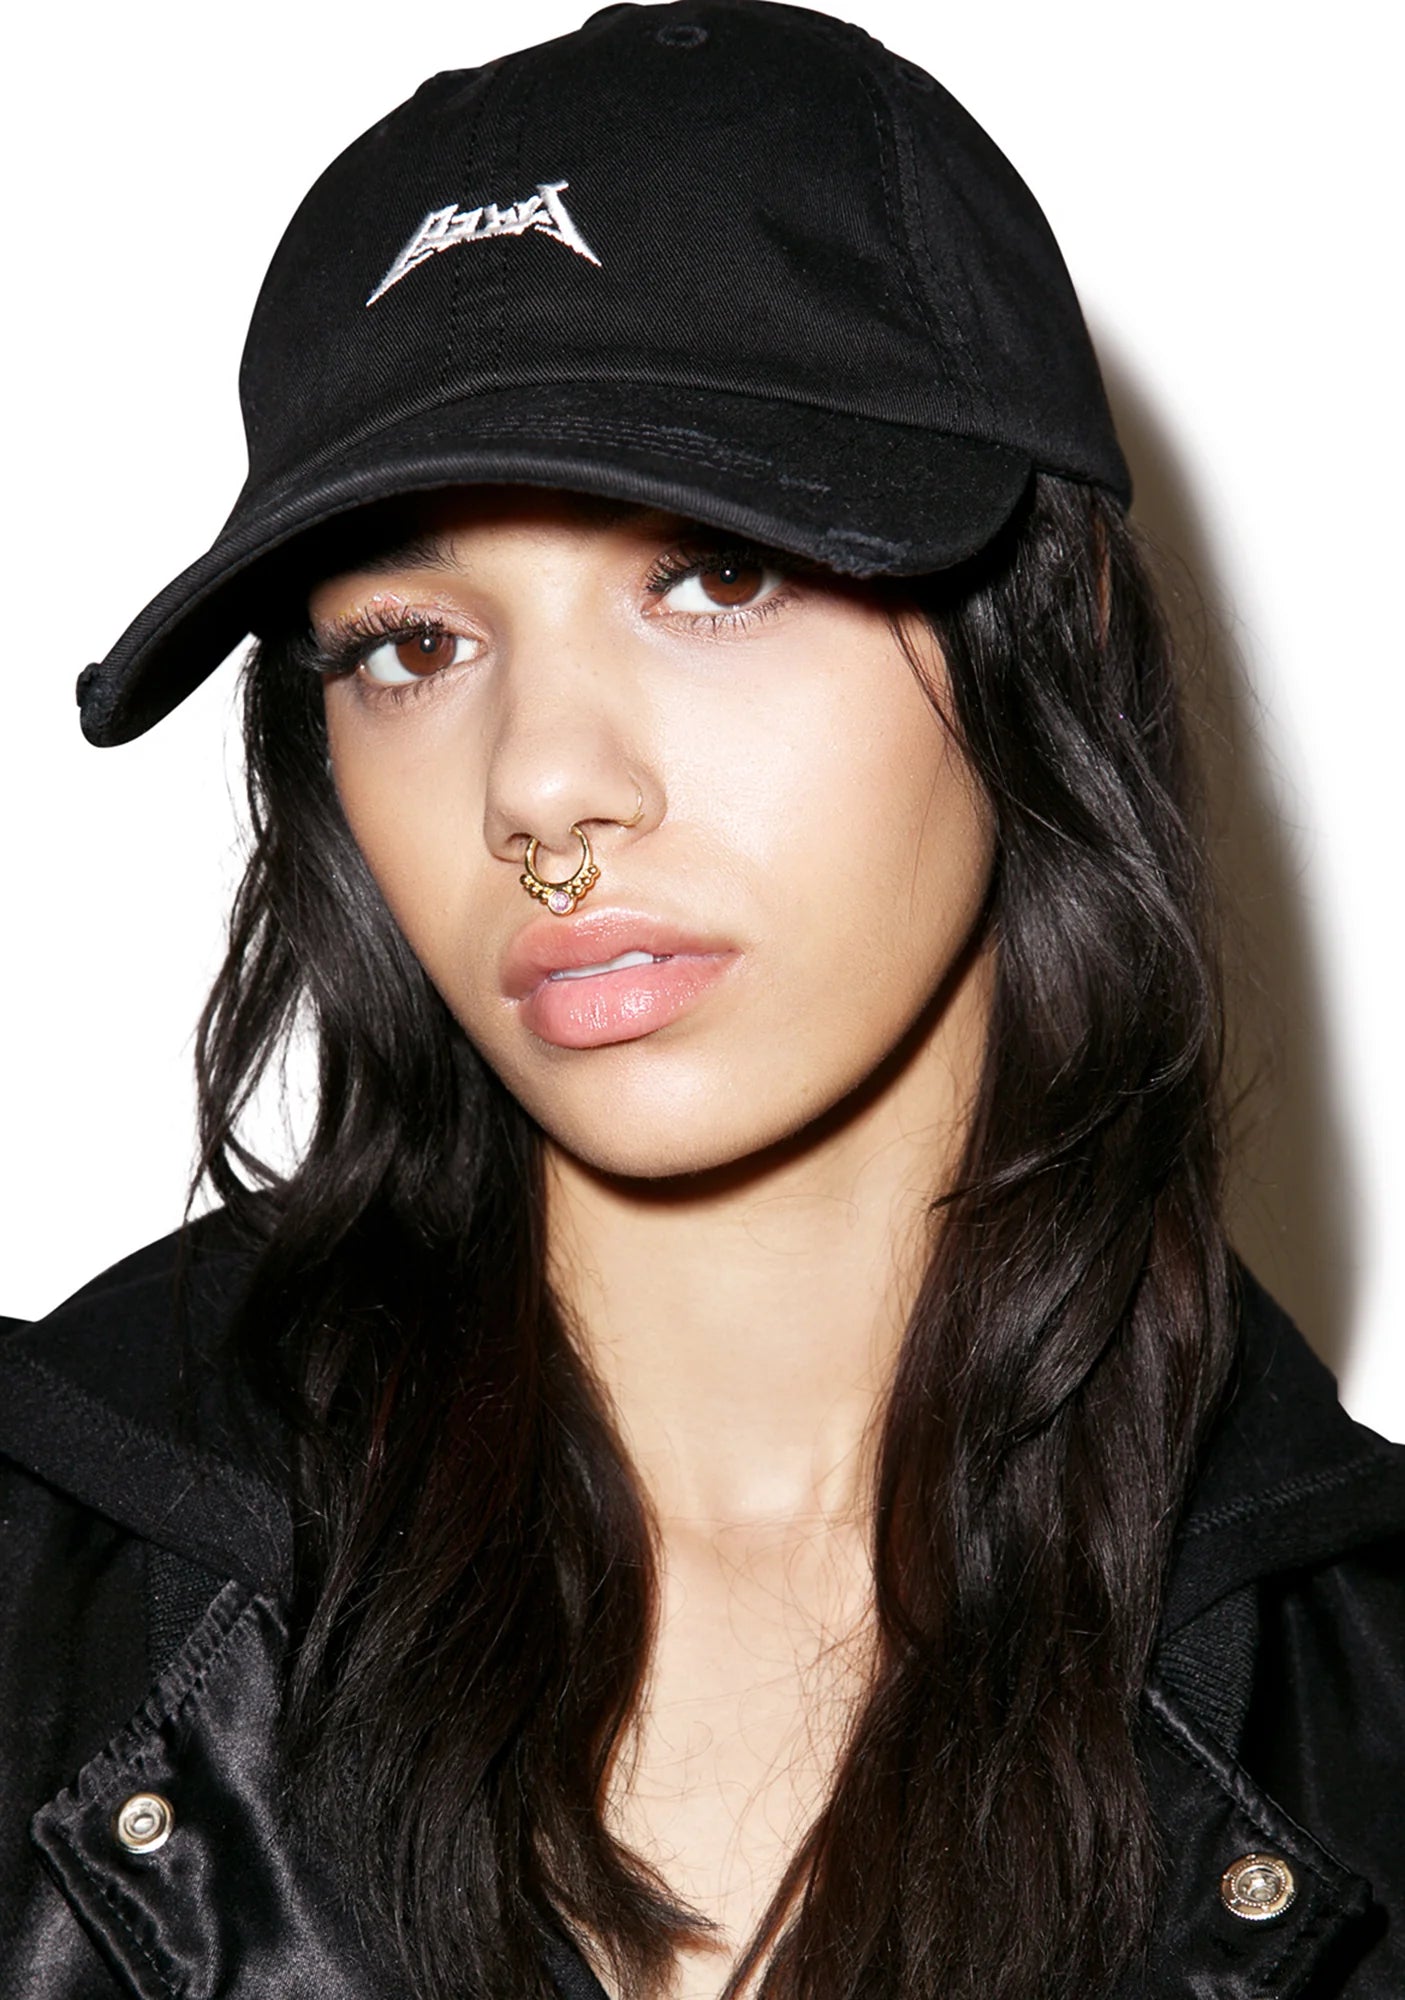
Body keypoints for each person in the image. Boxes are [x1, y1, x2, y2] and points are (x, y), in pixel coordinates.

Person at [2, 4, 1402, 1998]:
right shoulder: (40, 1581)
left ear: (1052, 621)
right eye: (409, 644)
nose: (540, 783)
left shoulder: (1360, 1706)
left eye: (714, 577)